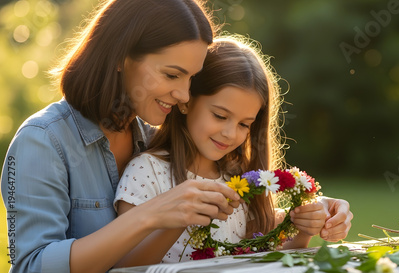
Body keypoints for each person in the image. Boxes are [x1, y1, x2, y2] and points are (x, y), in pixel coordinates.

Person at [0, 1, 243, 272]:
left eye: (191, 79)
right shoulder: (42, 141)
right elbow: (31, 267)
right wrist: (150, 215)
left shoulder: (154, 145)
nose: (184, 95)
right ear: (120, 57)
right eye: (172, 74)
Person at [113, 36, 352, 267]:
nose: (230, 133)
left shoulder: (237, 179)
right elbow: (125, 265)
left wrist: (302, 228)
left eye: (244, 124)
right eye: (220, 115)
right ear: (186, 101)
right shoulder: (147, 171)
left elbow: (262, 258)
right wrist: (181, 218)